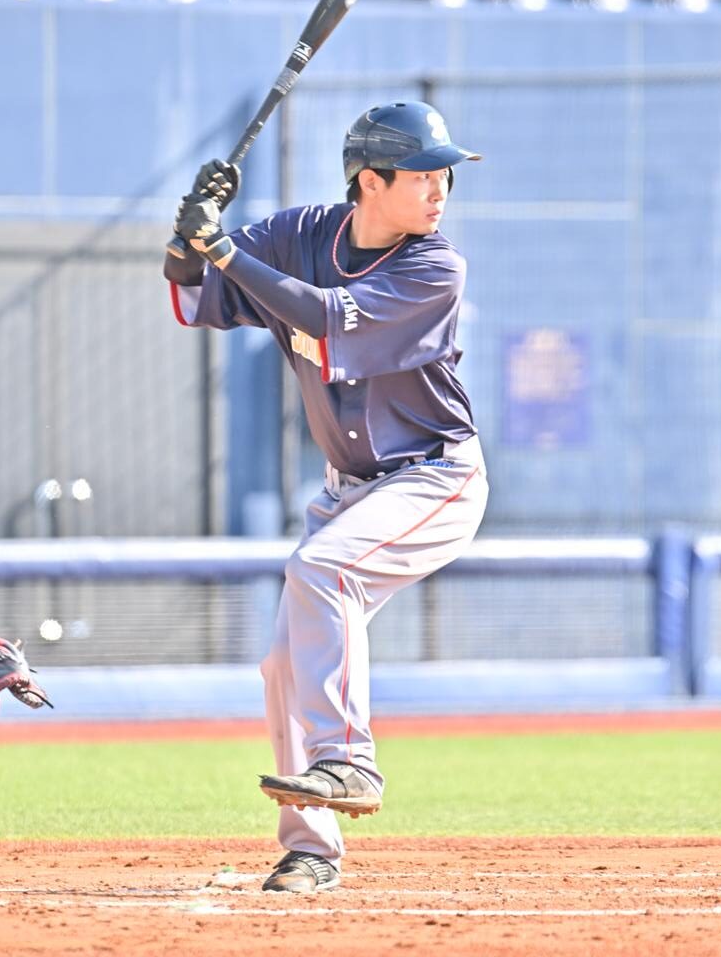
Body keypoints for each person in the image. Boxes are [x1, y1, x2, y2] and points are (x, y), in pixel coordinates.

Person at [164, 100, 489, 894]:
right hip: (349, 489)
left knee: (323, 570)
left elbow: (319, 315)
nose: (439, 189)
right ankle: (310, 848)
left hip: (433, 477)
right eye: (421, 173)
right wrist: (186, 237)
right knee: (284, 664)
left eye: (444, 174)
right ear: (368, 180)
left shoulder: (434, 267)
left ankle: (347, 760)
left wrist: (222, 248)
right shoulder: (304, 233)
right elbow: (194, 296)